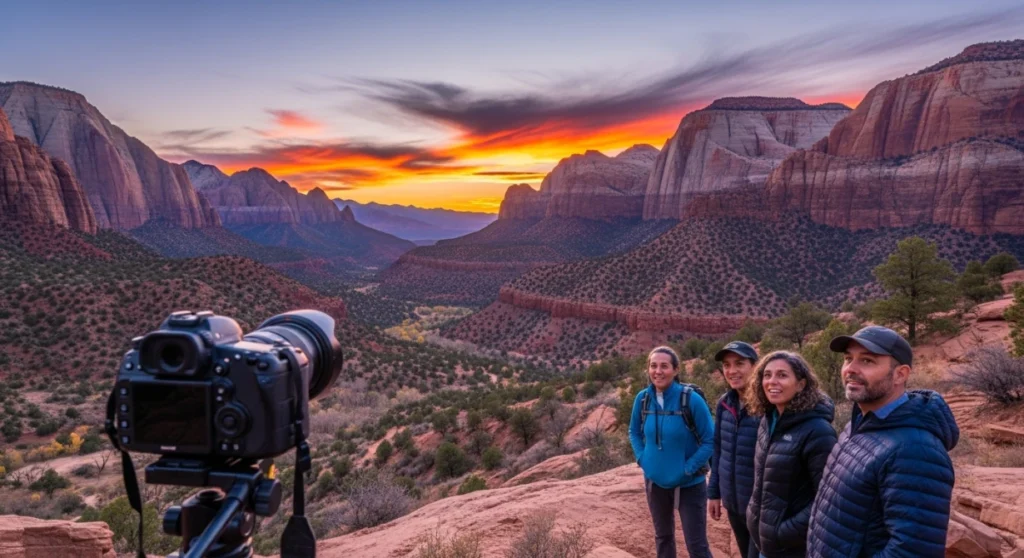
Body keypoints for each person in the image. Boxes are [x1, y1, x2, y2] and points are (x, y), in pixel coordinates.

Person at [807, 326, 960, 557]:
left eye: (867, 361)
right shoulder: (859, 425)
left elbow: (912, 551)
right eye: (848, 358)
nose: (850, 369)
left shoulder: (916, 450)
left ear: (900, 374)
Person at [744, 351, 837, 558]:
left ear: (801, 384)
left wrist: (784, 532)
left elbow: (826, 498)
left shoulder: (818, 431)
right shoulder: (767, 422)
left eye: (782, 375)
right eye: (767, 375)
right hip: (763, 540)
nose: (772, 381)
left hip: (792, 548)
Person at [629, 346, 715, 558]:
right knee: (663, 538)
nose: (658, 371)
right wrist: (642, 458)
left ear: (676, 370)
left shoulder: (691, 400)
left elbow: (710, 440)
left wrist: (688, 468)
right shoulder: (642, 399)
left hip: (689, 484)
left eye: (664, 366)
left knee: (696, 545)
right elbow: (634, 432)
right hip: (655, 482)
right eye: (653, 366)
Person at [708, 341, 761, 558]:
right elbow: (718, 448)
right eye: (727, 365)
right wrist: (714, 492)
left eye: (739, 363)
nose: (731, 371)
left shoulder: (766, 405)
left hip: (760, 506)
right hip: (733, 503)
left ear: (755, 366)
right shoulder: (725, 404)